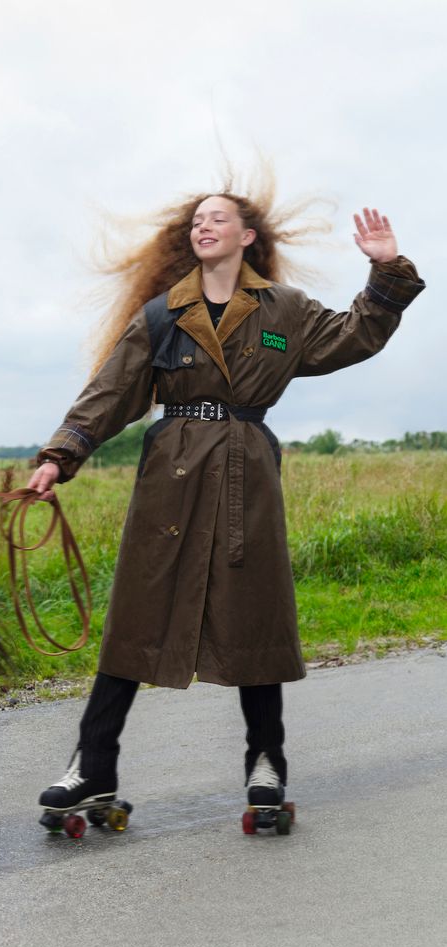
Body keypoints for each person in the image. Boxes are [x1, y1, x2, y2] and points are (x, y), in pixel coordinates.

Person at [27, 188, 425, 818]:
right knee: (137, 615)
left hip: (248, 477)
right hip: (170, 479)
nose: (203, 226)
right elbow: (111, 390)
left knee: (254, 615)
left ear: (246, 236)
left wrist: (386, 270)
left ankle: (266, 761)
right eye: (197, 220)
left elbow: (355, 336)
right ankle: (92, 765)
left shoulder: (284, 310)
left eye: (218, 218)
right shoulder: (163, 315)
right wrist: (59, 456)